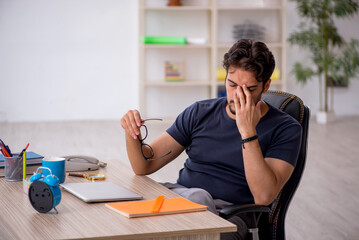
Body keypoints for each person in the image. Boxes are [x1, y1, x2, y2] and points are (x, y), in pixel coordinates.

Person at [121, 39, 302, 240]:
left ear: (266, 85)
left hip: (231, 217)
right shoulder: (200, 112)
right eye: (232, 85)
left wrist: (247, 131)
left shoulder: (286, 128)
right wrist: (132, 133)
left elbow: (263, 196)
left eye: (249, 89)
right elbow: (144, 165)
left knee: (198, 201)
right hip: (182, 201)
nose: (236, 96)